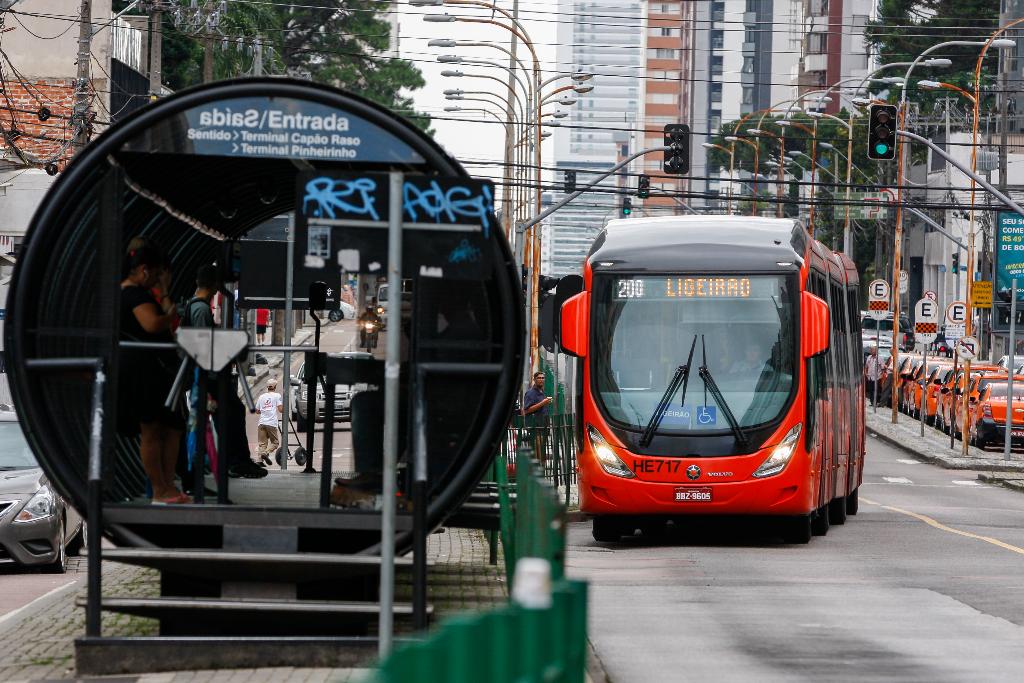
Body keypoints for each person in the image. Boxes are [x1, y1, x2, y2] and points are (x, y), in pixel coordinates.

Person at [118, 244, 188, 504]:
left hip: (151, 370)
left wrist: (165, 292)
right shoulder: (134, 295)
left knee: (170, 428)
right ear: (144, 270)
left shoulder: (137, 294)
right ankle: (160, 489)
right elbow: (152, 324)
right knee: (153, 429)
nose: (158, 279)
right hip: (144, 372)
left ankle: (167, 487)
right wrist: (170, 315)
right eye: (157, 274)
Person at [183, 265, 268, 478]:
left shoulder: (195, 306)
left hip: (208, 374)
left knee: (230, 414)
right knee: (233, 413)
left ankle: (233, 460)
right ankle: (236, 461)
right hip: (209, 376)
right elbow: (203, 346)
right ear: (214, 285)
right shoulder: (201, 309)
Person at [522, 371, 553, 463]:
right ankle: (537, 469)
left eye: (543, 378)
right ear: (534, 379)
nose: (541, 380)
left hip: (543, 426)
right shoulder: (530, 393)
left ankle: (541, 468)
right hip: (535, 427)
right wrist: (543, 403)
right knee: (537, 452)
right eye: (539, 378)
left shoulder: (542, 392)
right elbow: (526, 410)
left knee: (542, 452)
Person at [256, 378, 283, 463]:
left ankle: (260, 460)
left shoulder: (261, 397)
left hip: (261, 423)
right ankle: (266, 453)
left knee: (262, 444)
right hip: (271, 423)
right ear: (275, 386)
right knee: (275, 443)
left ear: (267, 387)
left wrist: (265, 410)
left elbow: (257, 411)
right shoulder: (277, 396)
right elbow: (280, 410)